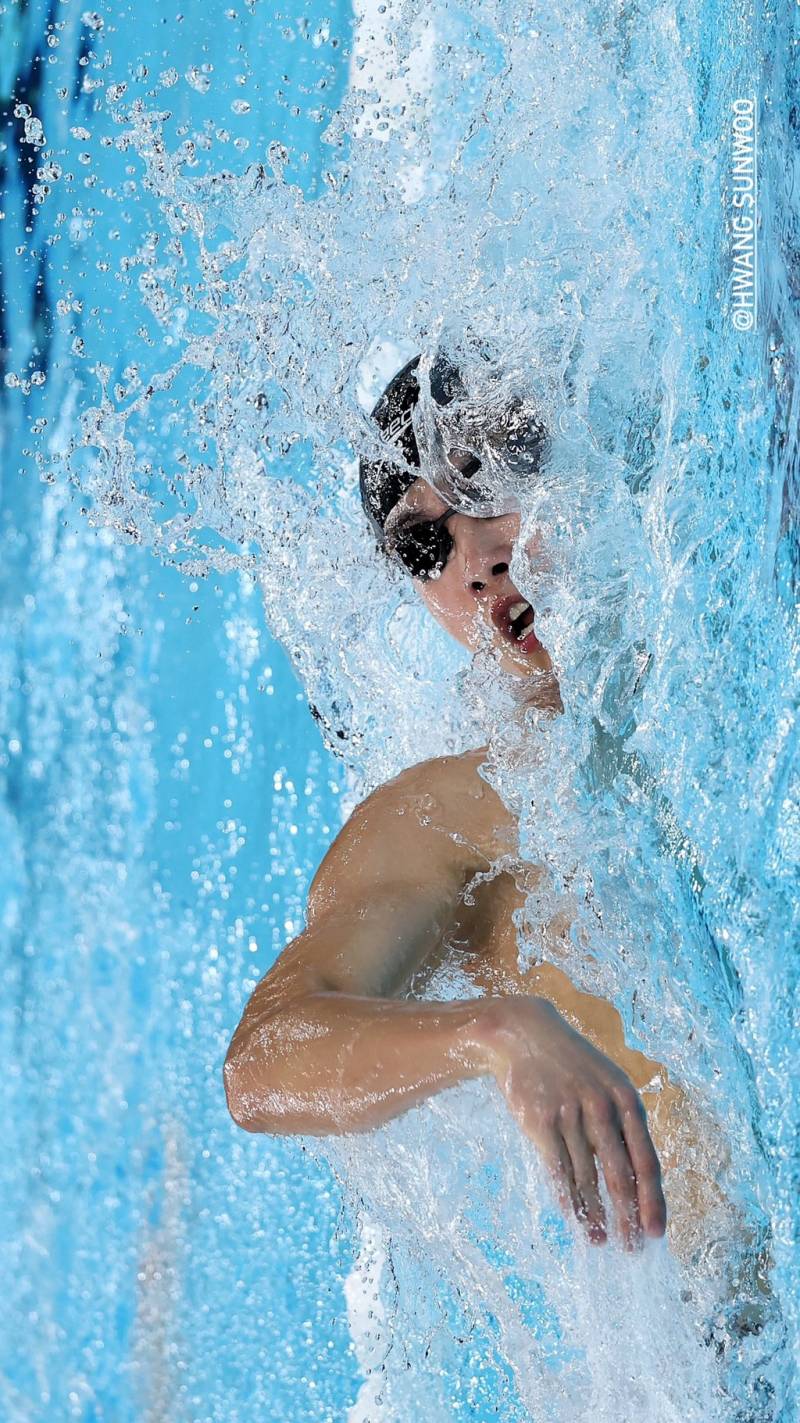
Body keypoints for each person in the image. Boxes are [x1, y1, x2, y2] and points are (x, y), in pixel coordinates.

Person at [222, 351, 758, 1272]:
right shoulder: (455, 819)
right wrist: (496, 1031)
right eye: (426, 543)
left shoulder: (746, 672)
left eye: (490, 478)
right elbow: (264, 1063)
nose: (474, 559)